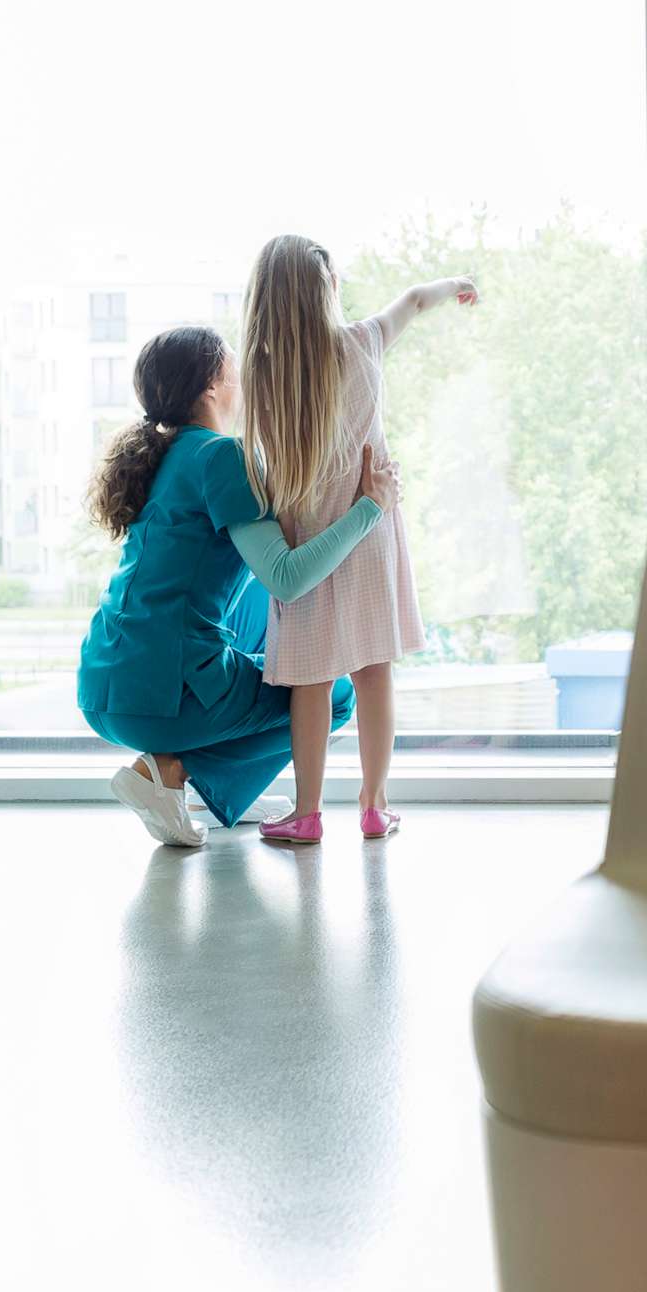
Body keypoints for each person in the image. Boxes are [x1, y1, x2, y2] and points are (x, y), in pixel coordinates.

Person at [77, 324, 398, 847]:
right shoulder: (222, 456)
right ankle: (168, 769)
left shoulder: (167, 455)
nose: (247, 380)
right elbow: (289, 579)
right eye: (235, 368)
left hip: (105, 684)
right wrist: (370, 508)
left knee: (259, 612)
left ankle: (215, 788)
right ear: (211, 386)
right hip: (163, 697)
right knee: (334, 696)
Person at [239, 234, 476, 845]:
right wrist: (455, 286)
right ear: (328, 292)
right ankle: (373, 804)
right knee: (375, 672)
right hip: (371, 528)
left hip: (307, 537)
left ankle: (308, 811)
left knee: (311, 680)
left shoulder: (263, 376)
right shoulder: (364, 342)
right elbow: (414, 301)